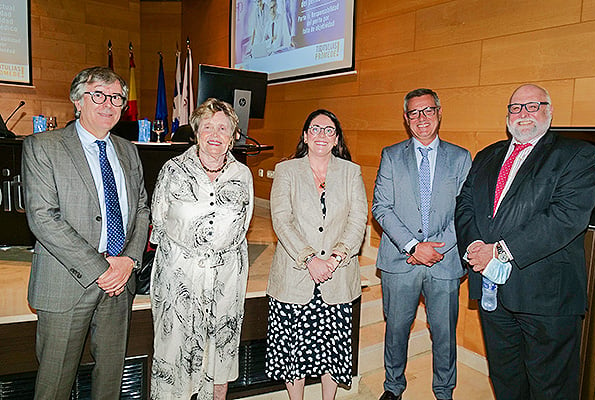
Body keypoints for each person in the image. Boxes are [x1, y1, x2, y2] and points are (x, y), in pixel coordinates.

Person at [455, 84, 595, 399]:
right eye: (515, 108)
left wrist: (500, 251)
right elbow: (465, 205)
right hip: (493, 294)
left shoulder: (576, 155)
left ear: (549, 110)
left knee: (551, 387)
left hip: (547, 298)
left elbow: (565, 217)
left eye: (532, 106)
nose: (523, 114)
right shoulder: (487, 155)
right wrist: (473, 248)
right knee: (506, 380)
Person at [22, 66, 150, 399]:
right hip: (67, 284)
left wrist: (129, 260)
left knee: (110, 383)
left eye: (116, 98)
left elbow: (141, 210)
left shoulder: (129, 150)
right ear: (78, 101)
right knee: (55, 386)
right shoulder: (43, 147)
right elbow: (43, 218)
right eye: (98, 95)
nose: (108, 104)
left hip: (119, 284)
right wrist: (102, 268)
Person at [149, 98, 254, 400]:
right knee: (174, 350)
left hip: (225, 280)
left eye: (223, 128)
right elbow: (158, 220)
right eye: (207, 126)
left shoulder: (242, 175)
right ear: (195, 131)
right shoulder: (173, 170)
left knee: (219, 349)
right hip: (179, 276)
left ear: (234, 135)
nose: (215, 134)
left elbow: (242, 226)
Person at [372, 88, 472, 400]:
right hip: (401, 262)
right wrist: (414, 247)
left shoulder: (460, 157)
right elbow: (381, 208)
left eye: (427, 110)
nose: (421, 118)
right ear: (406, 119)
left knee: (444, 334)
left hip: (445, 260)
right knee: (396, 331)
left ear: (439, 113)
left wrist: (433, 249)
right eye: (414, 113)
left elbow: (465, 211)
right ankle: (393, 388)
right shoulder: (391, 155)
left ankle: (444, 391)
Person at [265, 109, 368, 399]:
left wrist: (335, 259)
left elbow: (358, 220)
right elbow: (281, 219)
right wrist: (310, 259)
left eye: (328, 130)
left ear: (336, 139)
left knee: (331, 353)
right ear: (306, 136)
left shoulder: (351, 172)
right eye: (315, 128)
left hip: (337, 277)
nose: (321, 134)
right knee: (292, 355)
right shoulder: (287, 171)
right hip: (295, 276)